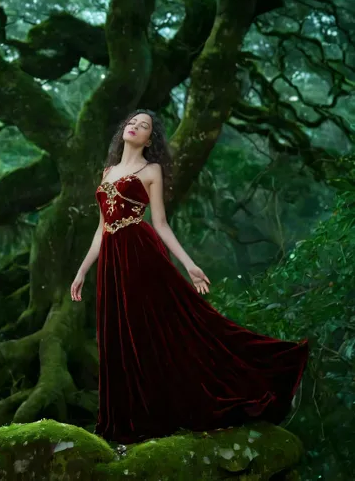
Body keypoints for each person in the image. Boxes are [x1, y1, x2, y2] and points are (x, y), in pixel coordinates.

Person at [70, 109, 309, 445]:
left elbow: (161, 224)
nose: (135, 127)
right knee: (118, 334)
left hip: (141, 254)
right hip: (111, 261)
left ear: (150, 139)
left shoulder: (150, 169)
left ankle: (248, 375)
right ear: (123, 130)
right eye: (132, 122)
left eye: (144, 126)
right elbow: (101, 229)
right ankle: (129, 419)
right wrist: (81, 271)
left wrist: (189, 264)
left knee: (156, 329)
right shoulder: (107, 171)